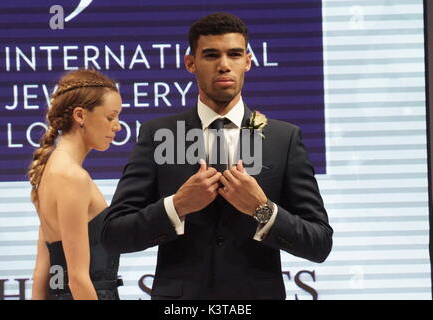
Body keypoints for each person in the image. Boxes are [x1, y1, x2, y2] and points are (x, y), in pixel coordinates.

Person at [101, 12, 333, 299]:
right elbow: (113, 235)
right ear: (191, 63)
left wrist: (262, 209)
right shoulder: (157, 134)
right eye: (211, 55)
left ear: (247, 61)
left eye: (234, 54)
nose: (224, 65)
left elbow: (320, 243)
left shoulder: (283, 139)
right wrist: (177, 206)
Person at [28, 69, 123, 300]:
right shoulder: (73, 177)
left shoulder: (47, 170)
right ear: (80, 115)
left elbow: (42, 274)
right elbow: (79, 279)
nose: (117, 126)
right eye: (110, 117)